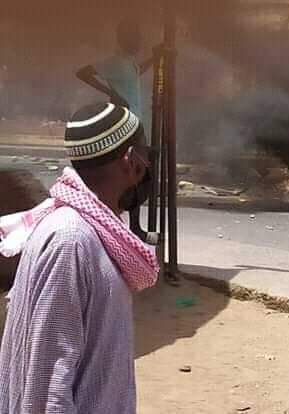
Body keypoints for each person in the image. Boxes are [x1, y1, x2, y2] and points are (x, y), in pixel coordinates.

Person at [0, 103, 160, 412]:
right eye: (144, 153)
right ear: (132, 162)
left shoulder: (92, 234)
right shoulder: (70, 241)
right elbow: (48, 386)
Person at [77, 20, 157, 245]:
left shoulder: (129, 63)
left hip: (136, 123)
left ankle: (134, 228)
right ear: (123, 39)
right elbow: (82, 72)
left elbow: (137, 72)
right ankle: (122, 227)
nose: (137, 43)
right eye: (134, 39)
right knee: (127, 175)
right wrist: (110, 92)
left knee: (139, 176)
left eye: (138, 39)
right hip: (123, 127)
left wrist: (155, 58)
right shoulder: (112, 62)